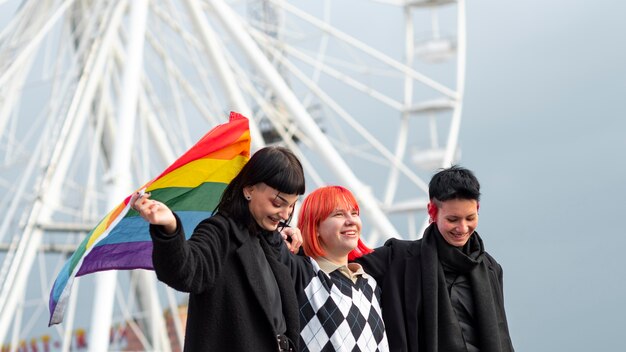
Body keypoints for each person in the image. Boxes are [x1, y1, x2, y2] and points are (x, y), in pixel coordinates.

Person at [131, 146, 305, 352]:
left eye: (292, 206)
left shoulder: (275, 244)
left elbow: (312, 285)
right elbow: (185, 270)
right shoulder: (220, 231)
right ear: (249, 190)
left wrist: (303, 249)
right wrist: (170, 228)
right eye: (278, 202)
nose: (285, 214)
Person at [356, 166, 514, 352]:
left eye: (470, 218)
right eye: (453, 219)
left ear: (478, 209)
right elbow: (338, 263)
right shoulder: (397, 259)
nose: (462, 228)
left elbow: (501, 334)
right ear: (432, 211)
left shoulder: (490, 268)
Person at [276, 186, 389, 352]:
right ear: (315, 227)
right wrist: (278, 237)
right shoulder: (302, 275)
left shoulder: (370, 284)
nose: (351, 221)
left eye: (354, 213)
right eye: (338, 214)